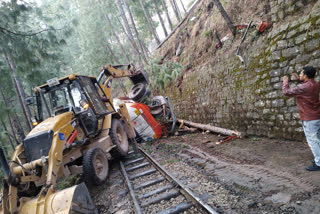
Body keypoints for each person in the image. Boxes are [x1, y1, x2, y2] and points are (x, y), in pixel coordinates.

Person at [283, 66, 320, 171]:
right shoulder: (316, 84)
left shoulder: (303, 87)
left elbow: (286, 92)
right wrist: (298, 79)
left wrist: (285, 82)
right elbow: (306, 85)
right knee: (317, 140)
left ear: (306, 76)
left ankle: (318, 163)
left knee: (312, 141)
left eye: (301, 74)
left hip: (309, 118)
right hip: (317, 116)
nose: (299, 75)